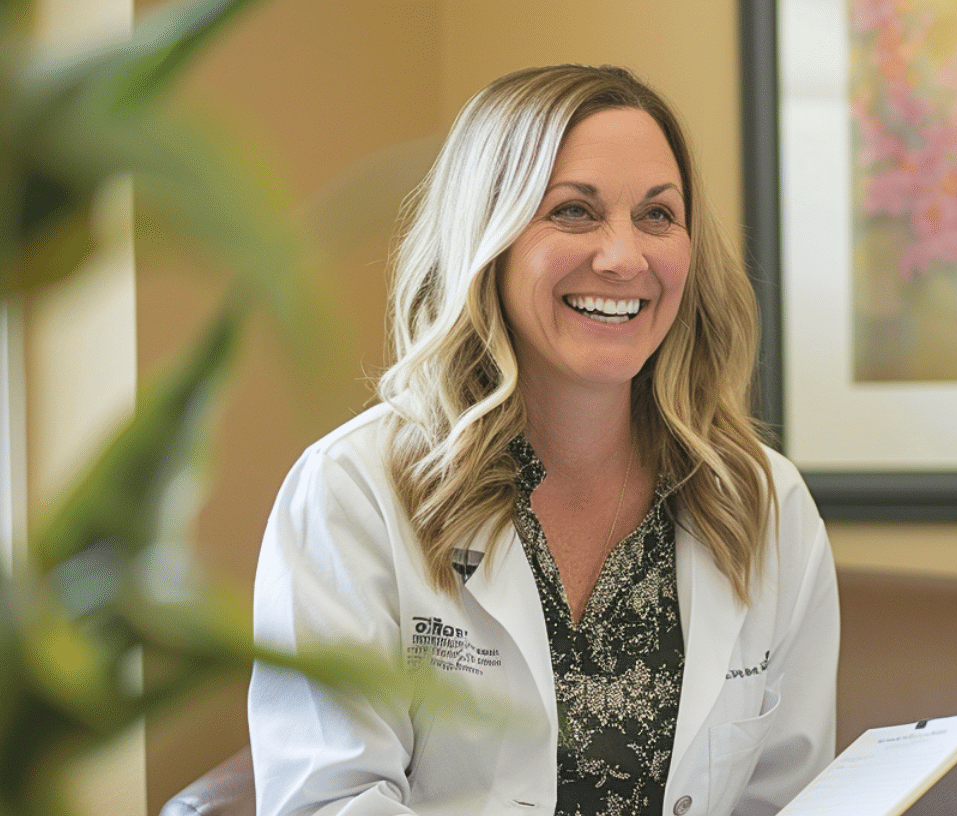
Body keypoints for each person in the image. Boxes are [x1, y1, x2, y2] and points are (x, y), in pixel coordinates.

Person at [247, 64, 839, 816]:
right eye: (573, 212)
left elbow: (791, 797)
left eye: (658, 216)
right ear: (487, 238)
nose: (624, 257)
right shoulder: (353, 492)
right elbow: (327, 802)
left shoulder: (765, 504)